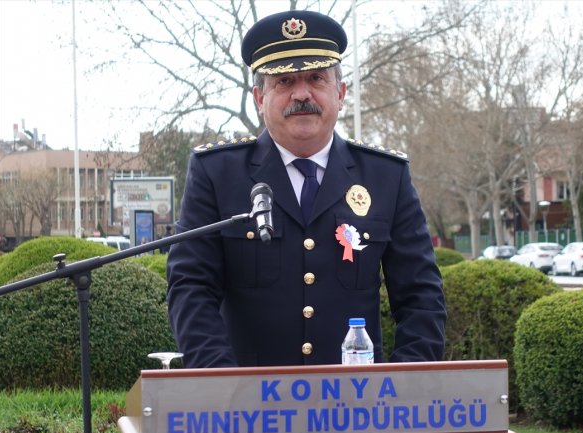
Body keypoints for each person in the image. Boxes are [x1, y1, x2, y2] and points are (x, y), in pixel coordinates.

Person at [166, 10, 446, 368]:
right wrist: (222, 383)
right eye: (284, 81)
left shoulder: (385, 176)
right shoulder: (217, 173)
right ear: (259, 98)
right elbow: (191, 288)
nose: (301, 94)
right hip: (247, 396)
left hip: (357, 396)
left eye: (316, 78)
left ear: (340, 93)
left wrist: (400, 386)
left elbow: (421, 297)